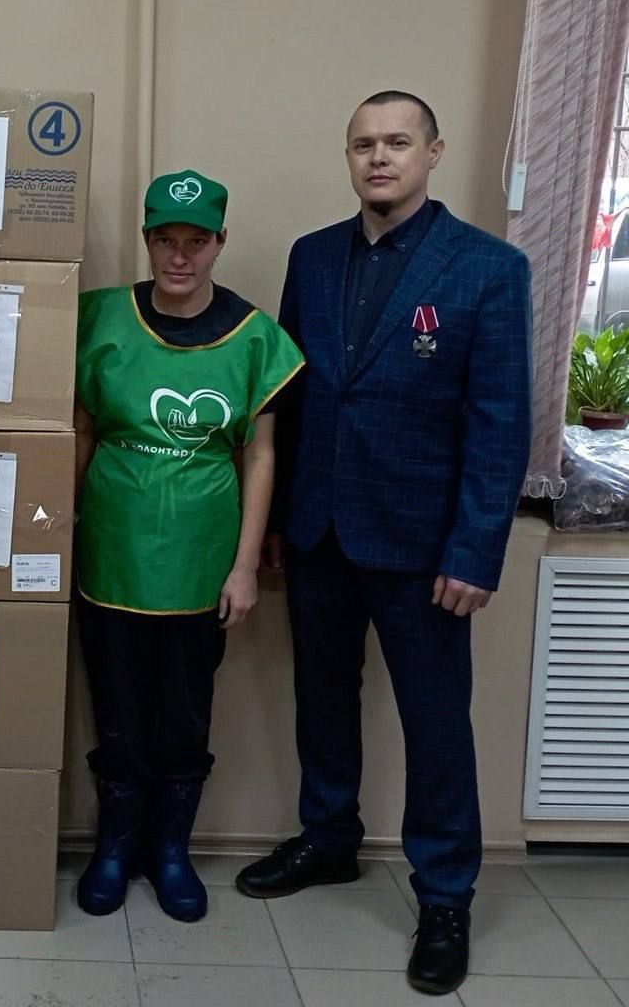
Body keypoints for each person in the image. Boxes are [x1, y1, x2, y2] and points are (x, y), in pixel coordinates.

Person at [235, 92, 532, 995]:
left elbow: (500, 422)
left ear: (433, 152)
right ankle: (329, 839)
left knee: (436, 724)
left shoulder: (488, 268)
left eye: (398, 142)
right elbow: (291, 397)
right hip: (320, 529)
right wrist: (276, 521)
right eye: (363, 144)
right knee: (323, 699)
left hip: (424, 547)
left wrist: (475, 551)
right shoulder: (313, 256)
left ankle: (444, 896)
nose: (379, 157)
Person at [73, 170, 303, 923]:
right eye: (164, 240)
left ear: (220, 243)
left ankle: (170, 850)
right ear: (146, 241)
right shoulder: (100, 320)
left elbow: (261, 456)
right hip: (109, 553)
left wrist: (244, 568)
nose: (180, 257)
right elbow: (79, 434)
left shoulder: (255, 339)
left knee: (184, 710)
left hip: (201, 564)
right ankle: (116, 846)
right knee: (116, 705)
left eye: (196, 242)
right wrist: (53, 530)